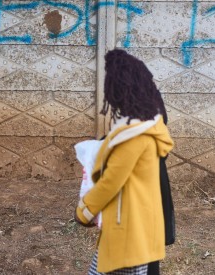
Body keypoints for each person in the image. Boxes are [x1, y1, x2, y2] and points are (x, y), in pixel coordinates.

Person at [76, 49, 174, 274]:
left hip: (129, 227)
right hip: (140, 220)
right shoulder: (150, 120)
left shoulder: (133, 135)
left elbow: (111, 182)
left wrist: (84, 212)